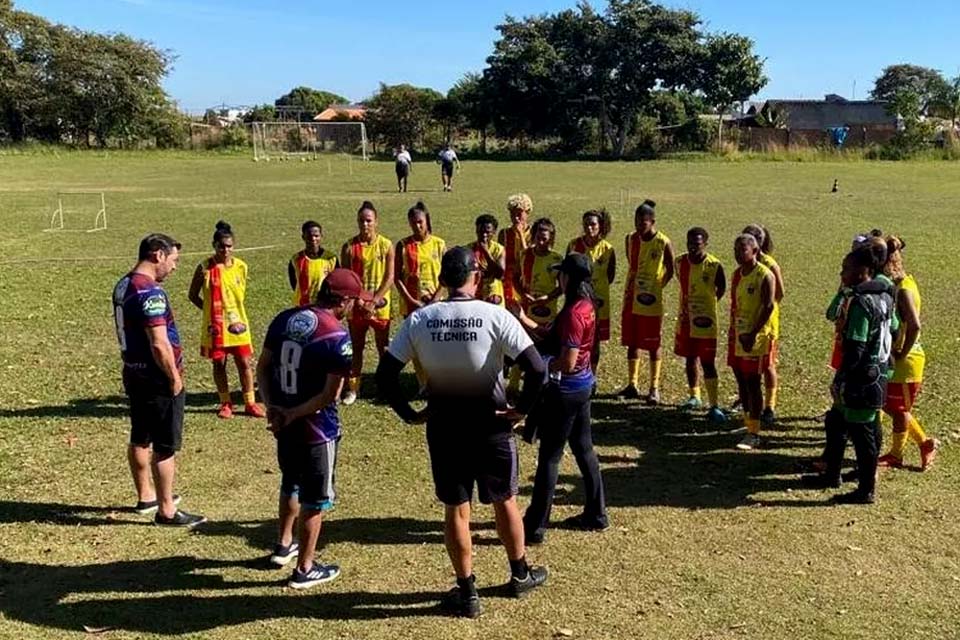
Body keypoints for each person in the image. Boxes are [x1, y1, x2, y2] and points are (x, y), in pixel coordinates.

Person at [376, 246, 549, 618]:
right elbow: (537, 369)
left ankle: (467, 590)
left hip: (445, 428)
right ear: (476, 277)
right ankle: (520, 573)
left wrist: (408, 413)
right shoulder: (494, 315)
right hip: (492, 428)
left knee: (456, 508)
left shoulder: (422, 319)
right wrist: (521, 410)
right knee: (505, 500)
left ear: (442, 280)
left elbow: (385, 374)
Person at [257, 269, 372, 588]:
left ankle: (283, 545)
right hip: (316, 430)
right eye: (353, 301)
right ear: (344, 301)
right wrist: (294, 413)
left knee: (290, 482)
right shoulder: (336, 336)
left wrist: (274, 407)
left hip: (283, 422)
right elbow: (329, 395)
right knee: (315, 498)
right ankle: (305, 568)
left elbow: (263, 367)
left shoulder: (284, 319)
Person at [112, 233, 205, 527]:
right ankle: (166, 510)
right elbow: (159, 343)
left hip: (133, 372)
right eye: (173, 260)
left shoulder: (123, 284)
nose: (175, 267)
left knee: (140, 435)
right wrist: (174, 377)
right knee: (165, 445)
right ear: (157, 255)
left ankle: (146, 496)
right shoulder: (149, 292)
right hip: (157, 377)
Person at [523, 253, 608, 544]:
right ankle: (597, 513)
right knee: (585, 450)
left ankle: (535, 525)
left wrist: (543, 367)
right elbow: (554, 337)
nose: (557, 278)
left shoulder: (573, 313)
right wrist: (524, 320)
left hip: (566, 390)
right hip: (584, 386)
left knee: (550, 457)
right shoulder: (586, 305)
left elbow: (567, 360)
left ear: (568, 278)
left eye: (561, 274)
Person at [803, 246, 897, 504]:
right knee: (835, 421)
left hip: (862, 378)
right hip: (878, 374)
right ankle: (832, 474)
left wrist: (841, 379)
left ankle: (866, 489)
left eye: (846, 268)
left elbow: (856, 346)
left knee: (863, 433)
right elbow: (896, 330)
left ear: (862, 271)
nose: (842, 273)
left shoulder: (861, 303)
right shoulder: (886, 297)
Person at [188, 221, 265, 419]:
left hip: (238, 324)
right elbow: (193, 295)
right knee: (219, 364)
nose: (225, 250)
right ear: (214, 245)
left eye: (229, 246)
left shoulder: (241, 267)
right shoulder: (204, 268)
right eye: (221, 246)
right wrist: (208, 313)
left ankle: (250, 402)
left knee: (244, 363)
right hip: (215, 326)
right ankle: (226, 403)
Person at [878, 236, 938, 470]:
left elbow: (914, 325)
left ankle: (897, 454)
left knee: (899, 410)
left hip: (908, 360)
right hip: (899, 357)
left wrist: (902, 352)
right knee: (889, 405)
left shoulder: (903, 290)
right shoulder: (904, 282)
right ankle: (925, 443)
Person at [619, 200, 674, 405]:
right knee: (632, 341)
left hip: (651, 300)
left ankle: (654, 387)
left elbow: (671, 268)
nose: (639, 226)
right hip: (631, 296)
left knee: (653, 342)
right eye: (636, 222)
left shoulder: (663, 242)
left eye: (643, 223)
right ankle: (632, 384)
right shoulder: (630, 239)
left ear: (652, 222)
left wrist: (658, 286)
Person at [340, 201, 394, 406]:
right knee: (356, 347)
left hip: (380, 306)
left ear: (376, 222)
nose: (365, 225)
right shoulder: (349, 247)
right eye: (361, 221)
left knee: (384, 348)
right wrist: (360, 300)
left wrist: (375, 299)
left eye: (368, 220)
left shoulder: (386, 245)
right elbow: (346, 278)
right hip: (357, 306)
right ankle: (353, 388)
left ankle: (385, 387)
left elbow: (389, 277)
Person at [728, 234, 776, 450]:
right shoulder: (737, 274)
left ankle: (754, 433)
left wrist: (752, 333)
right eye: (736, 250)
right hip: (738, 334)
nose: (738, 255)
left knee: (752, 381)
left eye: (743, 251)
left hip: (755, 338)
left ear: (755, 251)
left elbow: (768, 307)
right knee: (740, 379)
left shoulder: (765, 275)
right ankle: (748, 423)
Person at [674, 227, 727, 423]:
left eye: (696, 244)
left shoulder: (714, 265)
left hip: (706, 322)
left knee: (708, 362)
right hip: (686, 320)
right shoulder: (680, 262)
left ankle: (714, 405)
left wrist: (707, 306)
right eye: (689, 243)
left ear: (705, 244)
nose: (692, 248)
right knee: (689, 358)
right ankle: (694, 395)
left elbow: (721, 288)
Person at [396, 201, 446, 391]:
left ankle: (438, 379)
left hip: (435, 302)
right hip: (412, 303)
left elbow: (445, 276)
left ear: (427, 221)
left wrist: (435, 299)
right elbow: (397, 277)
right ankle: (423, 382)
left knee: (436, 342)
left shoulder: (439, 244)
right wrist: (410, 299)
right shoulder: (403, 245)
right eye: (413, 223)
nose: (417, 226)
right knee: (417, 344)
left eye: (420, 222)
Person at [742, 224, 784, 427]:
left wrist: (766, 309)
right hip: (747, 322)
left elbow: (780, 294)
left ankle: (770, 406)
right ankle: (751, 399)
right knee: (748, 368)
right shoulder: (745, 267)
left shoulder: (769, 264)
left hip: (767, 324)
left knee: (767, 366)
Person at [567, 210, 616, 374]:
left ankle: (592, 375)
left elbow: (610, 276)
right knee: (575, 337)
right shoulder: (574, 245)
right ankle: (575, 369)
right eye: (586, 224)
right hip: (577, 300)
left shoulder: (608, 249)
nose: (589, 228)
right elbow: (566, 272)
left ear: (600, 226)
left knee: (595, 340)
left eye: (593, 224)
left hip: (599, 302)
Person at [500, 193, 533, 396]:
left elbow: (529, 258)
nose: (516, 217)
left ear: (527, 213)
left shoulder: (533, 232)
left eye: (519, 213)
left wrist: (521, 235)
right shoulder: (504, 234)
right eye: (512, 213)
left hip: (526, 285)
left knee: (523, 329)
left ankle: (517, 371)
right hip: (507, 284)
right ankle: (505, 364)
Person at [518, 217, 564, 327]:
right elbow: (515, 277)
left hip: (548, 311)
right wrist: (523, 294)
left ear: (551, 238)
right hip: (526, 310)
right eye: (538, 238)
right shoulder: (524, 255)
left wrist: (548, 298)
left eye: (544, 239)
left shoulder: (557, 259)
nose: (541, 242)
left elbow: (563, 286)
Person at [288, 220, 339, 308]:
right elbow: (294, 283)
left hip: (323, 307)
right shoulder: (296, 259)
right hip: (301, 307)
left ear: (321, 236)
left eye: (316, 236)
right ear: (303, 237)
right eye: (309, 236)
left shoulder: (331, 259)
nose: (313, 239)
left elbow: (336, 283)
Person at [472, 213, 506, 306]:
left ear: (494, 232)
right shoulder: (469, 249)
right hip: (475, 295)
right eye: (480, 231)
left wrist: (486, 252)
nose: (484, 235)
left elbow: (500, 274)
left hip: (493, 296)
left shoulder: (499, 249)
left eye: (487, 232)